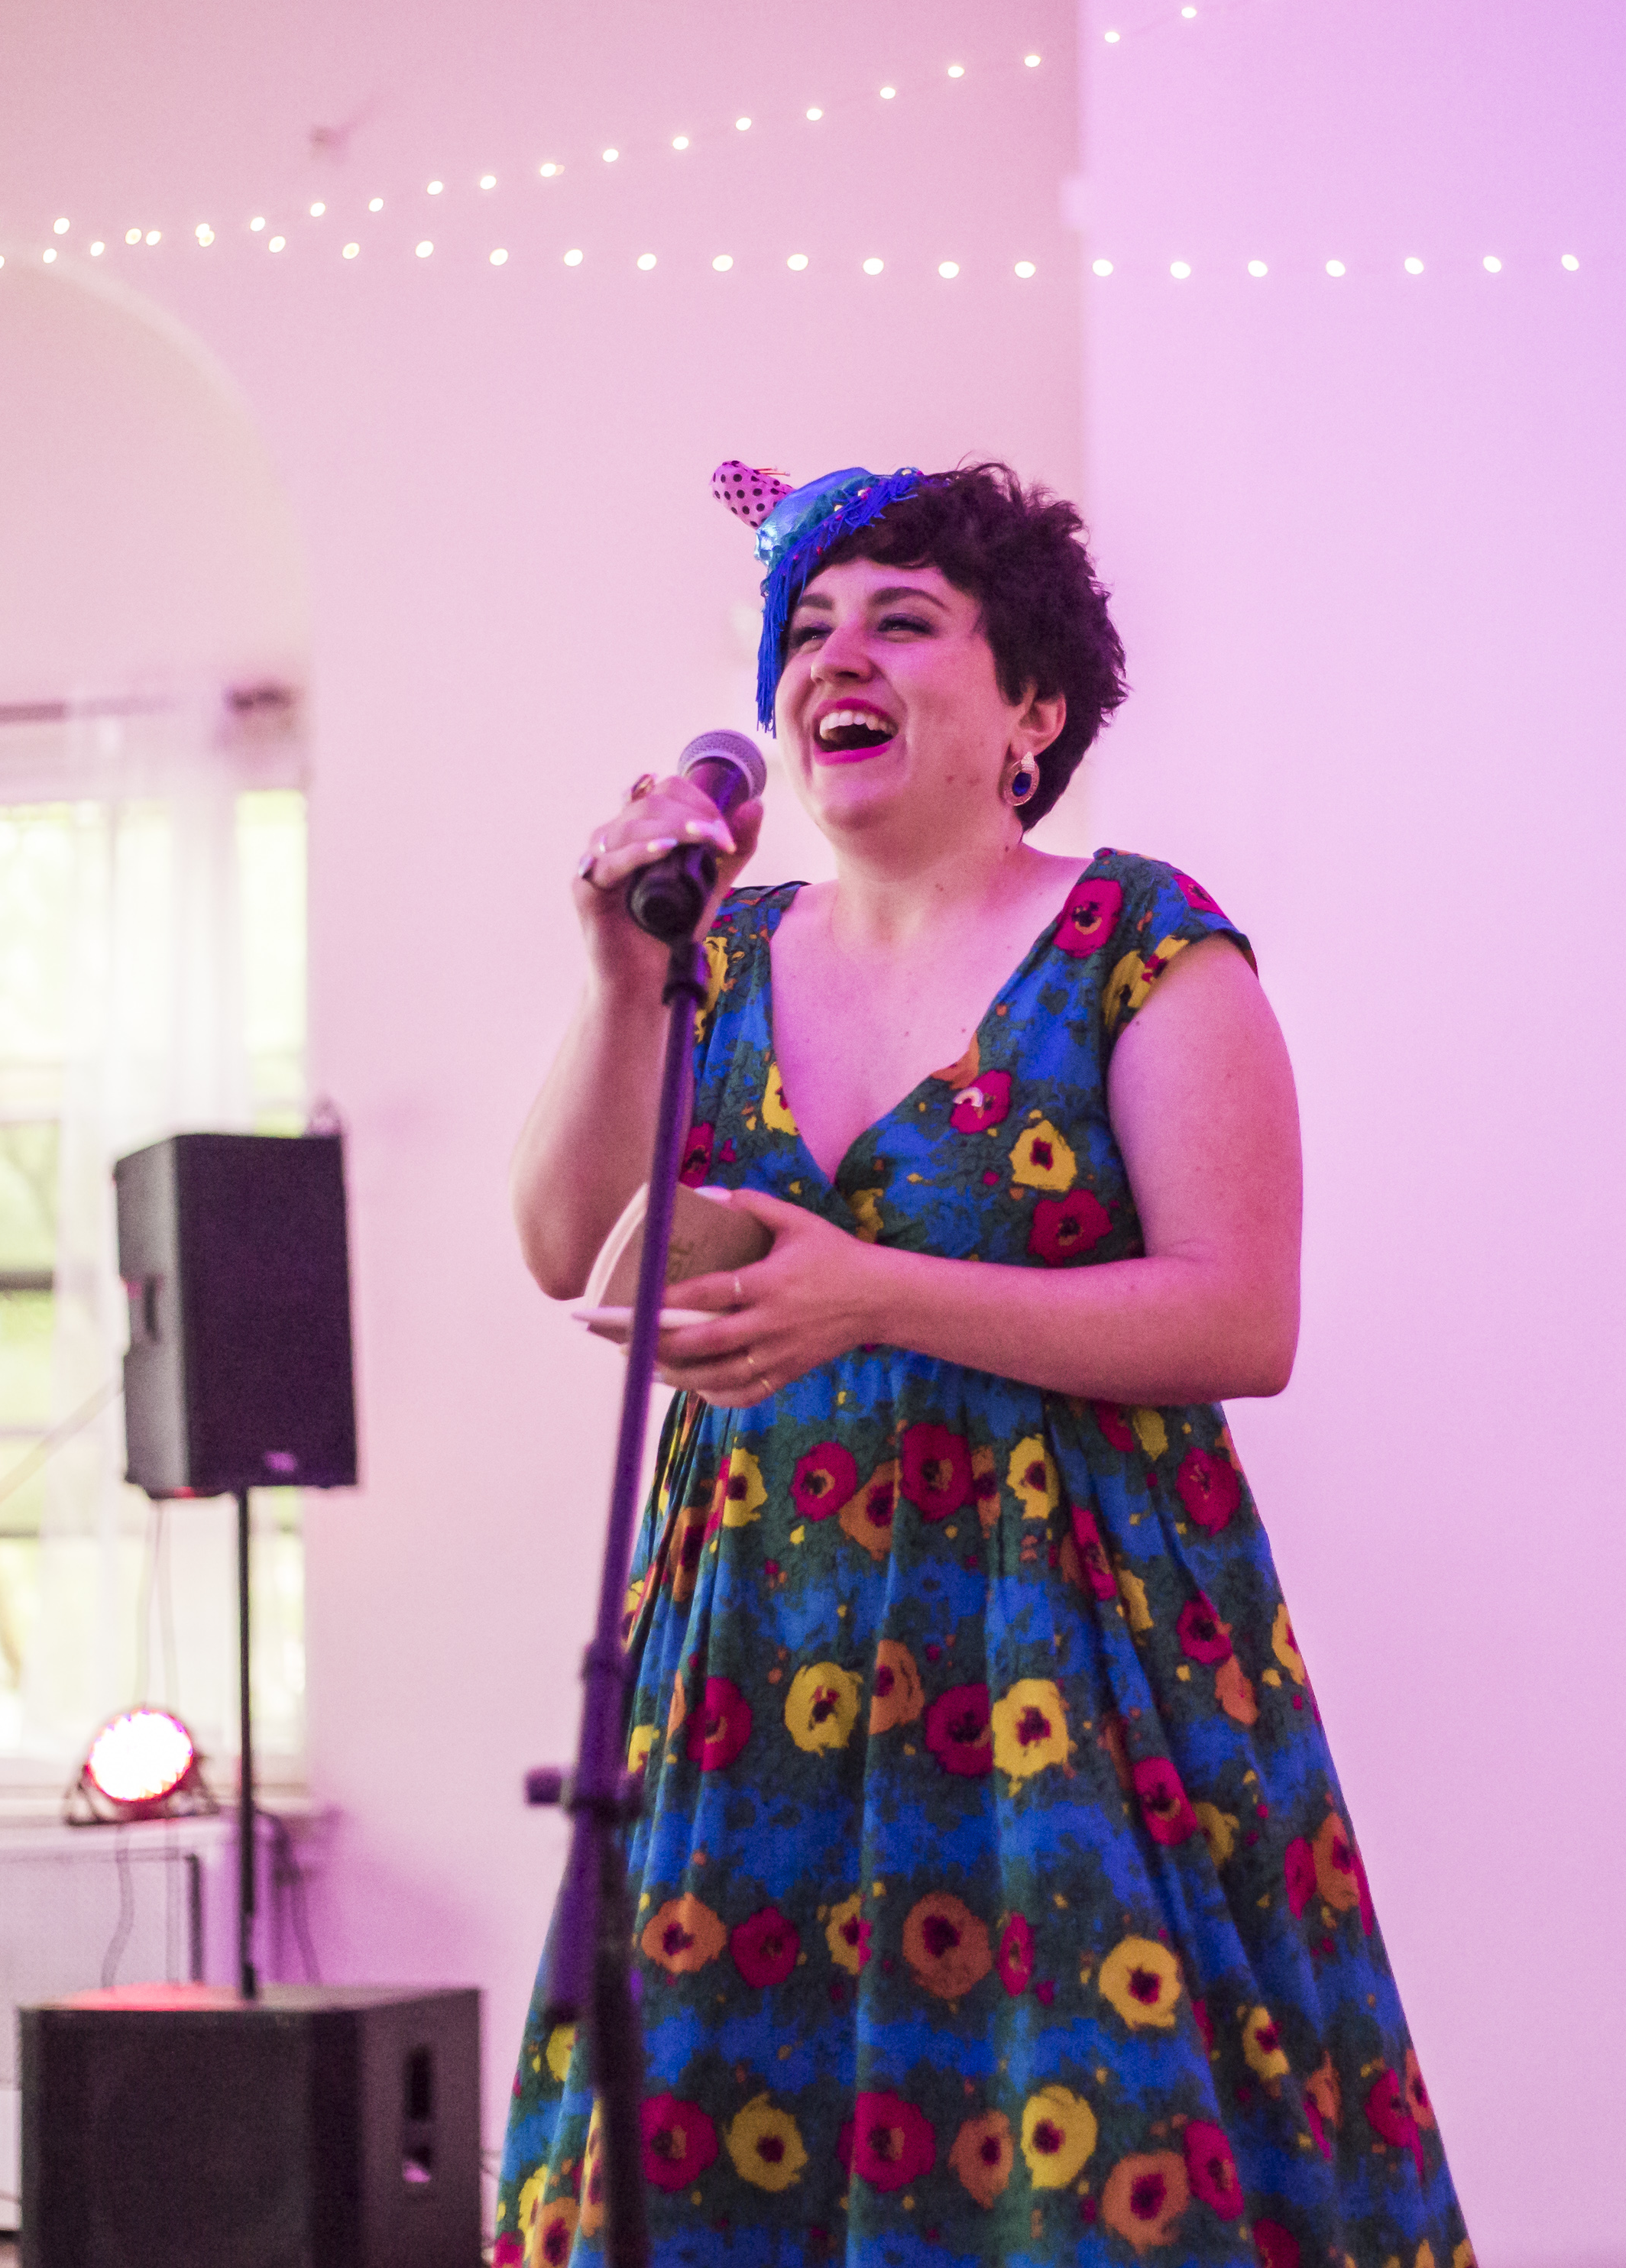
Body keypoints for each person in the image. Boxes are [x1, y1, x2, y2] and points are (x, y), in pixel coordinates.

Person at [496, 461, 1469, 2265]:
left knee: (1087, 2149)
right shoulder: (720, 951)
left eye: (902, 620)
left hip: (1064, 1651)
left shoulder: (1141, 944)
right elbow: (567, 1243)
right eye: (807, 629)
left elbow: (1239, 1315)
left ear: (1032, 709)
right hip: (753, 1645)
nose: (834, 656)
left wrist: (877, 1294)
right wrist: (618, 978)